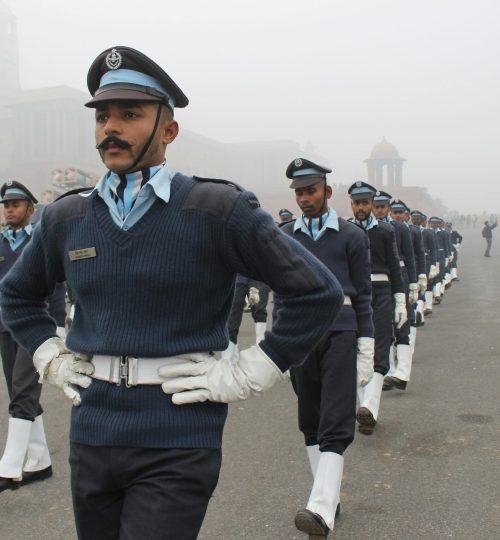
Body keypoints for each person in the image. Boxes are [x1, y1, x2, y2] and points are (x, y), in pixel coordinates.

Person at [0, 46, 343, 540]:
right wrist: (49, 352)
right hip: (93, 432)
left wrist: (255, 369)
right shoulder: (66, 218)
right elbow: (16, 296)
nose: (109, 128)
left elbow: (316, 293)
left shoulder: (217, 208)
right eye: (102, 116)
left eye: (130, 114)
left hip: (179, 434)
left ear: (168, 130)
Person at [279, 162, 373, 539]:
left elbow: (363, 293)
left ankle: (318, 509)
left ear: (327, 192)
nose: (305, 199)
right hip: (301, 336)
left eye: (311, 191)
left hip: (340, 330)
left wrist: (366, 342)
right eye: (299, 193)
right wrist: (279, 347)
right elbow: (282, 293)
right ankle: (328, 497)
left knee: (335, 416)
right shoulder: (285, 236)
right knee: (310, 417)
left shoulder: (351, 236)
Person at [0, 181, 66, 493]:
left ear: (30, 208)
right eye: (6, 205)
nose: (9, 209)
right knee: (19, 393)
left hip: (36, 327)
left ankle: (8, 466)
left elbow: (56, 284)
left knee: (23, 389)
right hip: (4, 326)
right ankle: (39, 461)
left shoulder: (41, 239)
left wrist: (58, 325)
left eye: (15, 204)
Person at [348, 184, 405, 435]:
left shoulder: (385, 230)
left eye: (364, 202)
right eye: (356, 203)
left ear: (372, 203)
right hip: (354, 294)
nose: (360, 207)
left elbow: (395, 266)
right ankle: (363, 405)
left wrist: (400, 299)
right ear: (351, 204)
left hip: (381, 291)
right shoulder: (345, 230)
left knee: (380, 345)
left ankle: (369, 406)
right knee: (356, 347)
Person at [222, 275, 270, 361]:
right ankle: (228, 359)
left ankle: (262, 354)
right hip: (237, 275)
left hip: (259, 273)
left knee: (259, 310)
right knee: (232, 315)